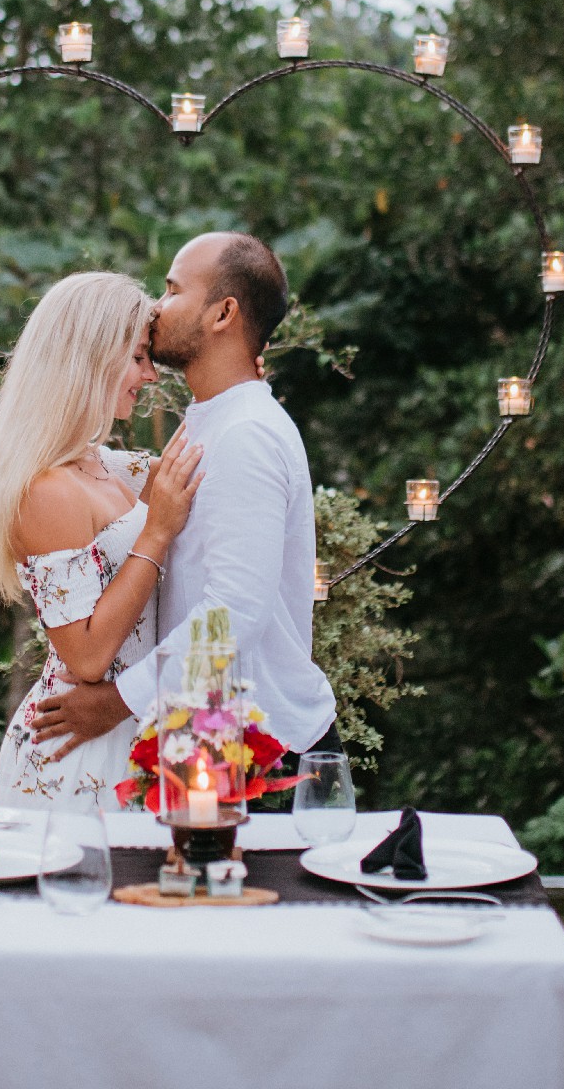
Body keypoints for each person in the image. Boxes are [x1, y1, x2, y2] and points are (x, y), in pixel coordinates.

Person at [29, 233, 338, 769]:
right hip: (210, 742)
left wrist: (119, 701)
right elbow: (101, 471)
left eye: (172, 290)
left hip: (263, 751)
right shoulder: (215, 421)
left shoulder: (245, 434)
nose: (156, 307)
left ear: (223, 314)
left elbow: (235, 610)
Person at [0, 272, 206, 808]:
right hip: (77, 752)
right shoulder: (47, 490)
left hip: (133, 728)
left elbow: (195, 462)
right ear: (89, 359)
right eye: (138, 358)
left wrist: (234, 387)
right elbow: (85, 657)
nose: (149, 375)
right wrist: (156, 532)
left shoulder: (103, 465)